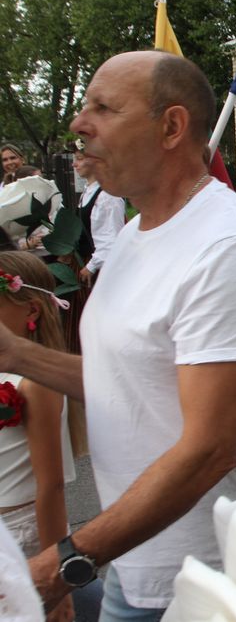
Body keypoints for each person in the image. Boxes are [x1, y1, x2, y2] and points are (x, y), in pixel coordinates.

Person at [5, 50, 236, 620]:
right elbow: (127, 382)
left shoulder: (226, 246)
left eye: (103, 108)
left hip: (225, 580)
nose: (78, 123)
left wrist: (60, 565)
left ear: (171, 127)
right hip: (140, 563)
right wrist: (16, 353)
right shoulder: (134, 234)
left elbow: (210, 450)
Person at [0, 252, 76, 622]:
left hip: (23, 536)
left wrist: (58, 580)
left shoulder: (35, 384)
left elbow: (51, 487)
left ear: (30, 310)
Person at [73, 144, 126, 287]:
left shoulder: (108, 196)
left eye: (79, 159)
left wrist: (92, 266)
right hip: (87, 264)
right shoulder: (87, 192)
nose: (74, 164)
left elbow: (112, 238)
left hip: (101, 268)